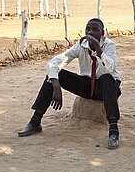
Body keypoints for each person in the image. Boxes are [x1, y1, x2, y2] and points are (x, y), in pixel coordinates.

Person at [17, 18, 121, 149]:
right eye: (88, 29)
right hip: (88, 85)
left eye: (95, 30)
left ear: (102, 33)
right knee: (56, 75)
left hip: (107, 88)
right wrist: (56, 86)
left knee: (106, 78)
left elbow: (110, 68)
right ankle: (35, 121)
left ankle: (113, 131)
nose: (90, 32)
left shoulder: (108, 45)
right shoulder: (81, 45)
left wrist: (98, 49)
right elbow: (55, 63)